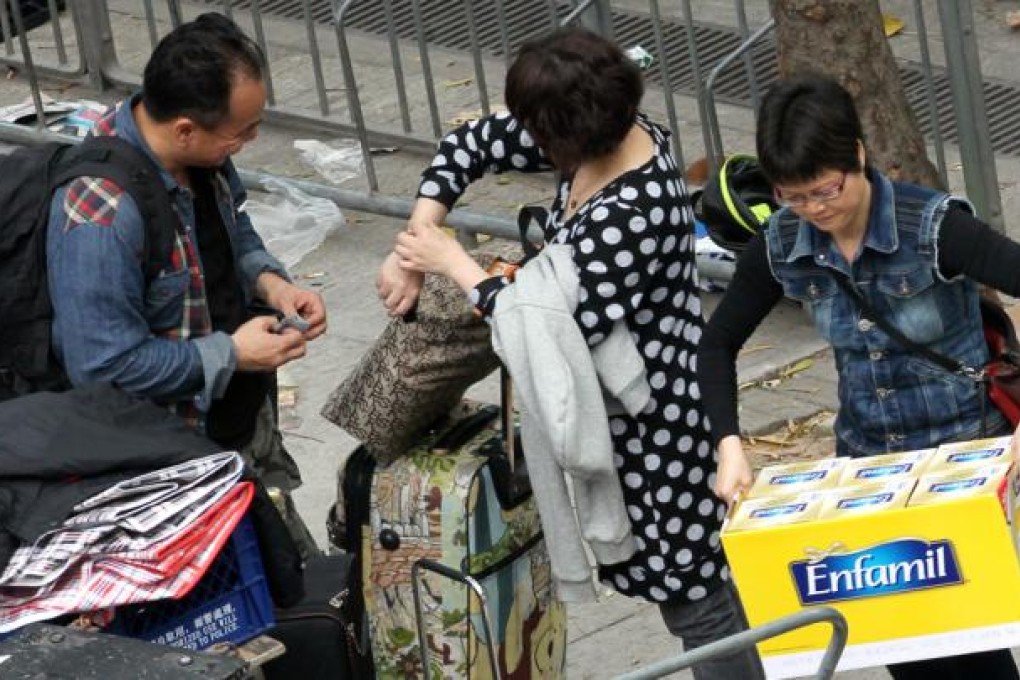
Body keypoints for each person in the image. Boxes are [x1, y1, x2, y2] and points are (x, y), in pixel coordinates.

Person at [377, 26, 764, 680]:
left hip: (661, 422)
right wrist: (417, 236)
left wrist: (452, 263)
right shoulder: (589, 128)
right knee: (688, 590)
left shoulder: (636, 210)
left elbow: (547, 330)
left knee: (694, 595)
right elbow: (470, 142)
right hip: (616, 408)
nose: (532, 142)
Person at [697, 74, 1020, 679]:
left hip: (963, 461)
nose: (815, 210)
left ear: (860, 157)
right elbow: (717, 343)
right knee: (897, 641)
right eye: (794, 196)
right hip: (869, 466)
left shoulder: (933, 227)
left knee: (970, 635)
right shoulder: (782, 242)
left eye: (826, 190)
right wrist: (729, 445)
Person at [46, 13, 326, 559]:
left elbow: (234, 228)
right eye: (241, 133)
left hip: (240, 425)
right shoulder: (100, 213)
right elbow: (101, 365)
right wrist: (230, 353)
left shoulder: (204, 154)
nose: (249, 142)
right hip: (170, 464)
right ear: (184, 130)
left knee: (296, 576)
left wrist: (271, 284)